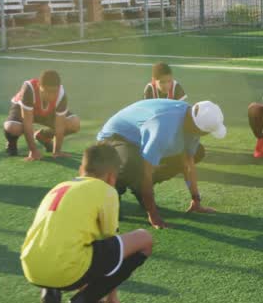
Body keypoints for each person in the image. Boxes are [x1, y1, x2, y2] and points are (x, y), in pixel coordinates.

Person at [21, 145, 154, 303]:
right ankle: (85, 301)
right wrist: (110, 298)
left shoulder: (60, 186)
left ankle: (50, 293)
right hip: (67, 270)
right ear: (112, 176)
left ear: (81, 169)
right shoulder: (106, 190)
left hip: (31, 268)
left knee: (61, 239)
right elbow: (110, 241)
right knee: (144, 239)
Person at [96, 98, 226, 229]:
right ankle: (111, 194)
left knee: (198, 152)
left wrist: (196, 200)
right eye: (206, 132)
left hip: (139, 141)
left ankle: (138, 187)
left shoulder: (193, 119)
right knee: (133, 164)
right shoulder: (163, 127)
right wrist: (153, 214)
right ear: (198, 128)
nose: (206, 135)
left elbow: (187, 162)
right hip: (115, 137)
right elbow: (146, 172)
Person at [3, 69, 82, 160]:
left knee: (74, 123)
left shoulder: (61, 93)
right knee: (12, 127)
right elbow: (27, 123)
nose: (51, 96)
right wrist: (33, 150)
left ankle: (44, 136)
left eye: (54, 92)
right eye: (48, 91)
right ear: (39, 86)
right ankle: (11, 143)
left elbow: (59, 125)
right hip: (24, 110)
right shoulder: (29, 89)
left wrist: (57, 151)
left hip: (46, 113)